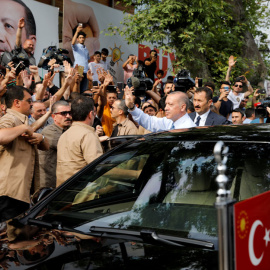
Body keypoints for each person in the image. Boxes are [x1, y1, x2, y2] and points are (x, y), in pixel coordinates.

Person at [0, 86, 49, 222]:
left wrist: (41, 138)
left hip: (22, 193)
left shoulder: (23, 120)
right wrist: (23, 128)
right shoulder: (9, 119)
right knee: (11, 238)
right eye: (28, 101)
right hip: (9, 193)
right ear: (17, 102)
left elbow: (46, 147)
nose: (31, 104)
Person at [57, 96, 103, 186]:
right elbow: (98, 167)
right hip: (81, 191)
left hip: (63, 191)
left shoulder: (64, 134)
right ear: (90, 114)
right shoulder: (88, 135)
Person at [125, 88, 196, 131]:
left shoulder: (188, 129)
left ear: (182, 107)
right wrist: (132, 107)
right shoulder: (170, 122)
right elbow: (149, 121)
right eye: (166, 104)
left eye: (170, 104)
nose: (166, 108)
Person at [39, 101, 72, 188]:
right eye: (64, 113)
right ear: (54, 116)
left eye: (70, 113)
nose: (68, 116)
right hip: (49, 183)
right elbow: (69, 147)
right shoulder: (49, 131)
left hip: (63, 181)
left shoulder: (70, 129)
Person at [71, 26, 90, 92]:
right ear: (77, 39)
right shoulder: (76, 47)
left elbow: (87, 59)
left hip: (85, 70)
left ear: (85, 39)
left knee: (84, 89)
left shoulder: (86, 49)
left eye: (83, 38)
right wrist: (77, 31)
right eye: (80, 38)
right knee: (77, 87)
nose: (82, 39)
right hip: (79, 68)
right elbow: (72, 43)